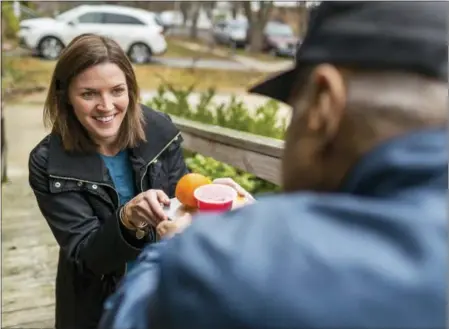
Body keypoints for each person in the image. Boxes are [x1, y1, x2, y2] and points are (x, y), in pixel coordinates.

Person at [99, 2, 447, 329]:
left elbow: (128, 319)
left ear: (323, 104)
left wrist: (182, 247)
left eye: (294, 109)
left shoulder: (225, 260)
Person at [28, 34, 191, 329]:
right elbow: (86, 255)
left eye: (117, 90)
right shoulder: (47, 162)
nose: (106, 106)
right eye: (89, 94)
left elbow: (184, 204)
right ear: (65, 96)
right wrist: (127, 220)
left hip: (165, 297)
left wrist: (214, 197)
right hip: (96, 309)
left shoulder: (160, 131)